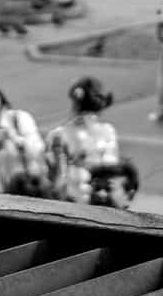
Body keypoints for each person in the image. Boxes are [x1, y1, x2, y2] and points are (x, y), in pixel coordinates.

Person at [47, 76, 137, 208]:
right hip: (108, 204)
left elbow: (60, 181)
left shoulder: (60, 135)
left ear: (75, 103)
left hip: (77, 206)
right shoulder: (109, 131)